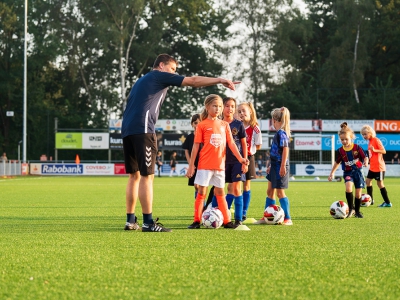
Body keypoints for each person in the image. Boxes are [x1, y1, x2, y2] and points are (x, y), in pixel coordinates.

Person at [121, 53, 240, 232]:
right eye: (173, 69)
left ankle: (131, 221)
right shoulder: (158, 76)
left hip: (128, 130)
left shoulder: (142, 80)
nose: (174, 74)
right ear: (161, 65)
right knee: (147, 176)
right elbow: (192, 81)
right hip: (143, 130)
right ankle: (148, 222)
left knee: (134, 175)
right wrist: (219, 80)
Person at [186, 94, 248, 229]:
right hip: (204, 165)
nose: (218, 109)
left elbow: (231, 143)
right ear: (207, 107)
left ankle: (227, 221)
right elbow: (196, 146)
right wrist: (192, 166)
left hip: (220, 166)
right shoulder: (202, 125)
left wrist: (241, 159)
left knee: (220, 193)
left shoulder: (224, 125)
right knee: (202, 192)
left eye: (220, 106)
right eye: (215, 106)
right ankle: (196, 220)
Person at [211, 97, 248, 226]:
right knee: (218, 189)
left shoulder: (238, 124)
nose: (230, 109)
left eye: (232, 106)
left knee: (236, 188)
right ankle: (214, 214)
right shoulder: (218, 123)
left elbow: (244, 144)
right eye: (227, 106)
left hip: (237, 162)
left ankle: (238, 219)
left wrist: (244, 160)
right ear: (222, 108)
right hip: (221, 161)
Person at [255, 107, 293, 225]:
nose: (272, 122)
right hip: (275, 165)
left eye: (273, 120)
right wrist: (271, 165)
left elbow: (285, 149)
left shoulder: (282, 133)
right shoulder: (278, 133)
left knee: (280, 193)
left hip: (280, 166)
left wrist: (282, 166)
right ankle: (267, 216)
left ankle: (288, 218)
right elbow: (275, 152)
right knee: (270, 191)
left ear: (276, 120)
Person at [328, 122, 368, 218]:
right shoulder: (340, 151)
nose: (344, 141)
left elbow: (365, 156)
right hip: (348, 172)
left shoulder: (357, 147)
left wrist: (366, 162)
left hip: (358, 172)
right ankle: (351, 209)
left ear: (351, 137)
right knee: (348, 188)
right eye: (342, 140)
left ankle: (357, 211)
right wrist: (331, 173)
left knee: (358, 193)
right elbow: (337, 162)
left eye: (346, 139)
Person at [237, 102, 262, 220]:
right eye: (239, 112)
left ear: (250, 112)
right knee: (235, 185)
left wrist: (249, 150)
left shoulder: (255, 128)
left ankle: (244, 211)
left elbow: (258, 145)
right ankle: (234, 209)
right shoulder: (236, 126)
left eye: (243, 111)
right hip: (237, 158)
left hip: (249, 158)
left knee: (246, 185)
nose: (241, 114)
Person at [361, 125, 392, 207]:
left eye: (365, 134)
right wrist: (367, 162)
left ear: (370, 133)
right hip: (372, 167)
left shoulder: (376, 140)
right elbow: (370, 155)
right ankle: (370, 200)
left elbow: (384, 151)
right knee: (368, 181)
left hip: (379, 167)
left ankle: (388, 202)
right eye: (363, 135)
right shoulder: (370, 142)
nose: (364, 136)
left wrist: (375, 150)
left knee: (380, 184)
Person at [182, 114, 201, 201]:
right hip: (193, 165)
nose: (197, 125)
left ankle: (203, 207)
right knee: (196, 186)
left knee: (201, 185)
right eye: (195, 123)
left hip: (203, 164)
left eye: (199, 123)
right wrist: (191, 164)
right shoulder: (189, 137)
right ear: (192, 124)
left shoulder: (204, 136)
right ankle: (199, 207)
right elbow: (186, 151)